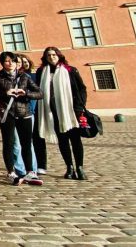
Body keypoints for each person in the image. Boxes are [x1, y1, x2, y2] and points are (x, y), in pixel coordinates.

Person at [0, 52, 42, 186]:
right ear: (2, 63)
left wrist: (26, 93)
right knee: (8, 142)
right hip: (7, 114)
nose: (10, 63)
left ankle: (30, 171)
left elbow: (40, 93)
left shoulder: (24, 76)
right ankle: (10, 172)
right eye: (7, 61)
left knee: (26, 143)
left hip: (23, 112)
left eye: (12, 61)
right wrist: (5, 93)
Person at [36, 47, 88, 180]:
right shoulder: (42, 72)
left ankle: (80, 167)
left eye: (54, 54)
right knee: (63, 141)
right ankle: (69, 167)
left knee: (75, 140)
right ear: (45, 58)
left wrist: (79, 108)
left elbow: (81, 90)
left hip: (70, 111)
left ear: (59, 55)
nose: (51, 57)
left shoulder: (70, 70)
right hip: (52, 112)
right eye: (48, 55)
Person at [19, 54, 44, 175]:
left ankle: (39, 165)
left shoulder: (34, 75)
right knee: (24, 141)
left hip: (33, 109)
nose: (24, 64)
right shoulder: (17, 76)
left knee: (37, 138)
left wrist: (26, 93)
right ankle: (27, 166)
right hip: (21, 110)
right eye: (21, 62)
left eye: (25, 61)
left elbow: (39, 92)